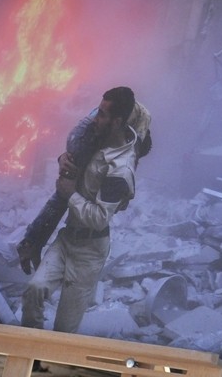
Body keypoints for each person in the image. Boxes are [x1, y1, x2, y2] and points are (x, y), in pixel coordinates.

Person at [19, 87, 145, 334]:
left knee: (64, 328)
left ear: (116, 121)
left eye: (100, 114)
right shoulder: (100, 133)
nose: (94, 118)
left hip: (90, 251)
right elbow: (77, 150)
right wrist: (63, 157)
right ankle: (28, 344)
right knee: (34, 290)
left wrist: (70, 195)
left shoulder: (120, 170)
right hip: (67, 238)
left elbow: (99, 219)